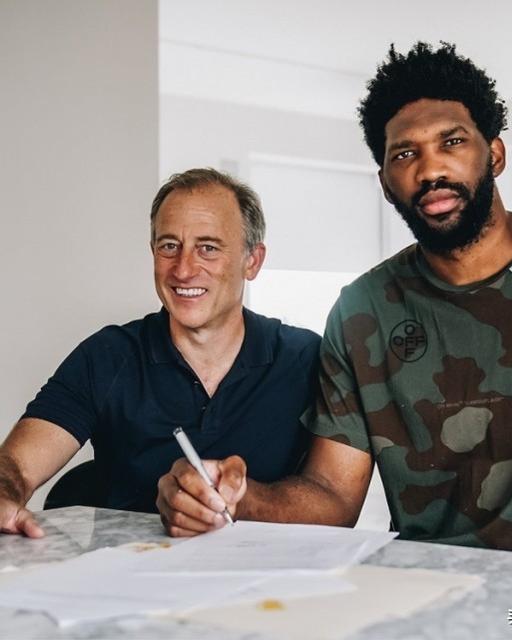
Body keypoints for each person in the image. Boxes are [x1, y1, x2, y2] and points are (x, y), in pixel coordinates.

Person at [158, 44, 512, 564]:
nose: (430, 169)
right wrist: (236, 497)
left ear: (495, 154)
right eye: (405, 154)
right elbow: (333, 495)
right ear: (387, 184)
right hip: (435, 582)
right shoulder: (363, 310)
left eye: (452, 141)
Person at [0, 167, 319, 537]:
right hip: (127, 567)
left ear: (252, 260)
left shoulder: (307, 358)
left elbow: (332, 498)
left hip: (269, 569)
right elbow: (17, 464)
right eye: (169, 246)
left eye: (208, 248)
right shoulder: (106, 355)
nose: (183, 269)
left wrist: (244, 501)